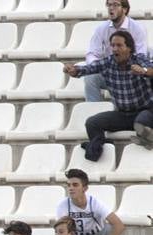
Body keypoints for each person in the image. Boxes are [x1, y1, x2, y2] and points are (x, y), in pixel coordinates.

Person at [64, 31, 153, 160]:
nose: (115, 49)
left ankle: (147, 137)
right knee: (92, 123)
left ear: (129, 48)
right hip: (123, 114)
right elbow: (88, 68)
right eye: (112, 45)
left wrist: (143, 71)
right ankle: (95, 151)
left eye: (119, 45)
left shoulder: (139, 59)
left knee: (142, 121)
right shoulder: (107, 63)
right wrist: (74, 70)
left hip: (146, 109)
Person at [83, 0, 149, 102]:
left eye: (115, 5)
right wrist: (96, 66)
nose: (111, 8)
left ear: (125, 9)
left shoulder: (138, 28)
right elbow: (92, 53)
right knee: (90, 77)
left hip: (131, 72)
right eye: (109, 5)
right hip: (110, 71)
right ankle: (93, 109)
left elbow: (141, 55)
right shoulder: (101, 28)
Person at [59, 169, 126, 235]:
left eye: (75, 185)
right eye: (69, 185)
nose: (71, 188)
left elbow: (119, 225)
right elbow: (62, 233)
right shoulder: (63, 205)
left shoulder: (94, 203)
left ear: (85, 188)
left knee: (108, 228)